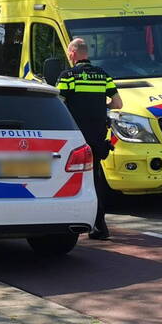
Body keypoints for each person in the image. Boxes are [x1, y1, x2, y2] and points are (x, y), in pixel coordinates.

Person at [56, 38, 123, 240]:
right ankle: (99, 223)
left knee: (70, 178)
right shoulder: (102, 75)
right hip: (97, 136)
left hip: (76, 137)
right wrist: (100, 108)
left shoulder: (68, 76)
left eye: (69, 53)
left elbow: (58, 106)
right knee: (96, 178)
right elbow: (118, 103)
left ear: (73, 54)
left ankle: (71, 220)